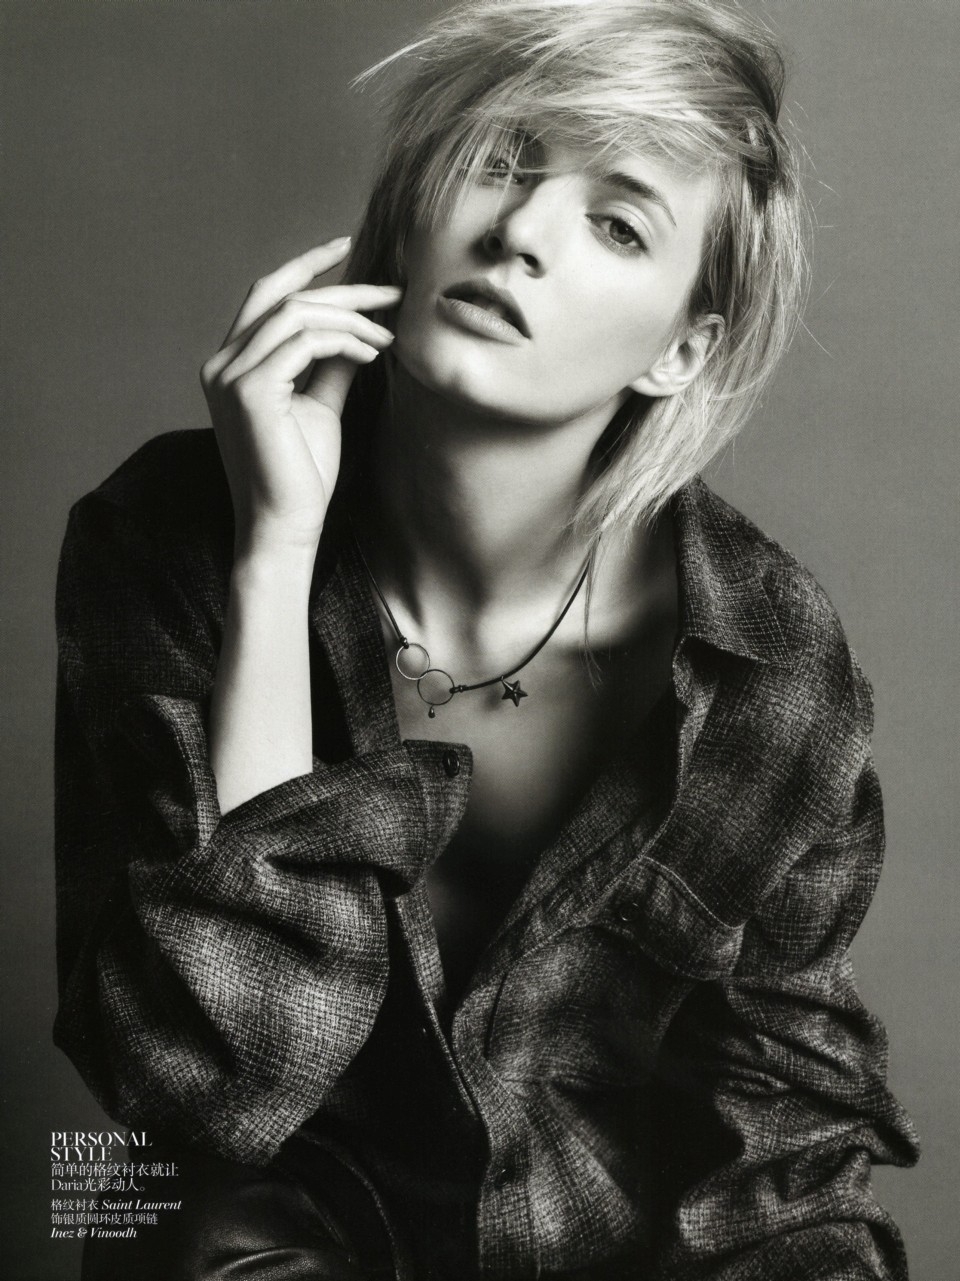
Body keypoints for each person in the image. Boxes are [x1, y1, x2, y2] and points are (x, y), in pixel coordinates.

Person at [54, 1, 919, 1277]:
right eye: (503, 161)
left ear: (681, 352)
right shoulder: (166, 539)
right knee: (176, 1225)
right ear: (411, 201)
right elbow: (202, 1082)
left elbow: (785, 1144)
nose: (521, 233)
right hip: (279, 1241)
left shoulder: (766, 661)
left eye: (617, 224)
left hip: (612, 1260)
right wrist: (274, 553)